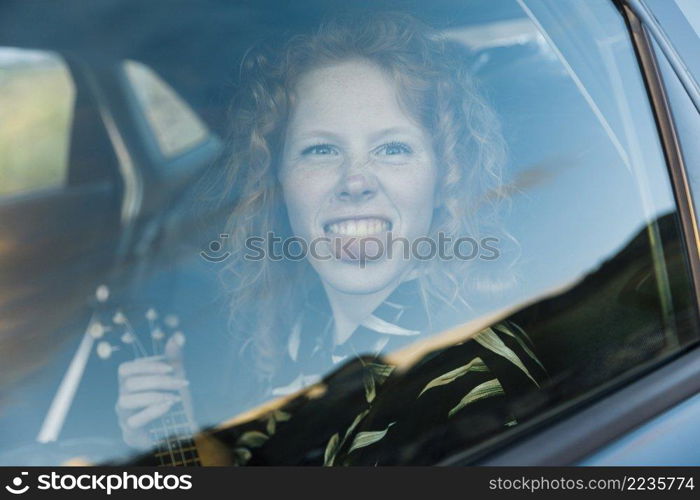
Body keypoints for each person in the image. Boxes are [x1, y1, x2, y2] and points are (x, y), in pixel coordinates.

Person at [116, 12, 545, 465]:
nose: (354, 181)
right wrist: (176, 434)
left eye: (392, 148)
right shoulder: (307, 327)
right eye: (321, 149)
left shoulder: (473, 390)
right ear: (278, 182)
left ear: (444, 176)